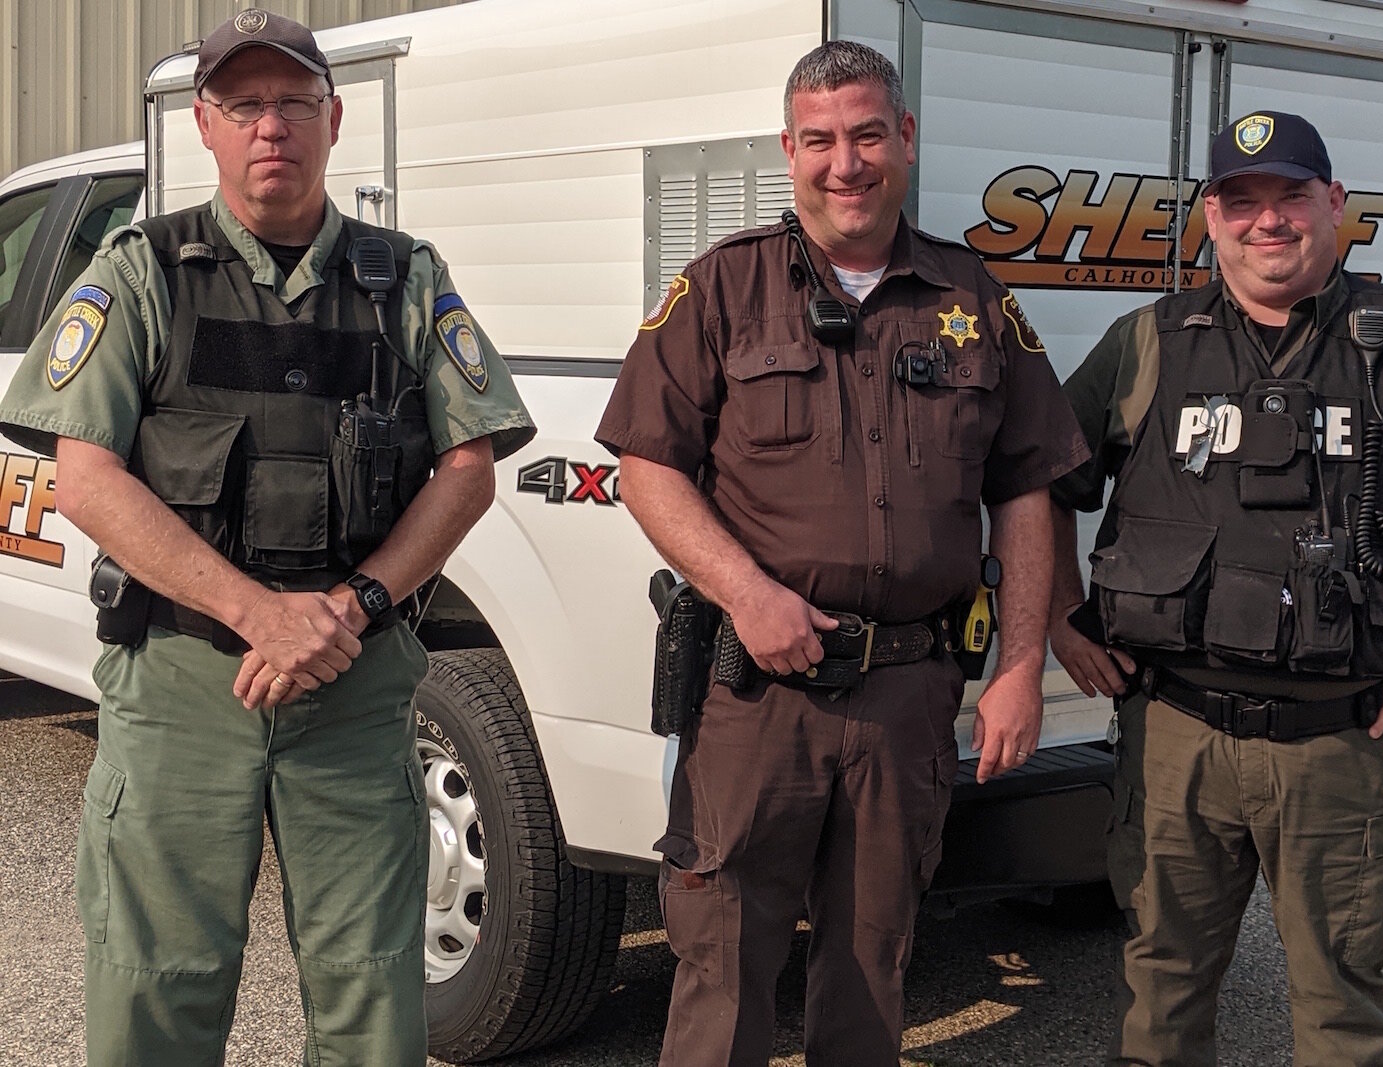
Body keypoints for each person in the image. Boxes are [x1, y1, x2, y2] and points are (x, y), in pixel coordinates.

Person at [0, 10, 534, 1066]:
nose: (270, 127)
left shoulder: (405, 275)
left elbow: (468, 467)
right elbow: (86, 479)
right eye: (243, 104)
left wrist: (356, 605)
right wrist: (260, 614)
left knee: (374, 993)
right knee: (159, 986)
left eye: (293, 102)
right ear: (203, 123)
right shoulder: (142, 269)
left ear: (335, 120)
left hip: (354, 679)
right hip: (186, 684)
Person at [596, 40, 1086, 1067]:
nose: (845, 163)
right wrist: (747, 594)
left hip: (908, 692)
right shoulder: (722, 289)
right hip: (757, 697)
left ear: (904, 138)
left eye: (867, 134)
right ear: (788, 149)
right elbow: (647, 467)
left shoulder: (973, 300)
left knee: (874, 961)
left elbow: (1027, 491)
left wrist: (1021, 666)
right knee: (722, 959)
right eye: (819, 140)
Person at [1048, 110, 1383, 1066]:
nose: (1267, 222)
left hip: (1341, 744)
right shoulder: (1150, 341)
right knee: (1159, 994)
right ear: (1210, 218)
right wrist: (1055, 622)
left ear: (1334, 205)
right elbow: (1044, 481)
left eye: (1290, 197)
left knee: (1342, 1013)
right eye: (1241, 202)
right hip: (1175, 739)